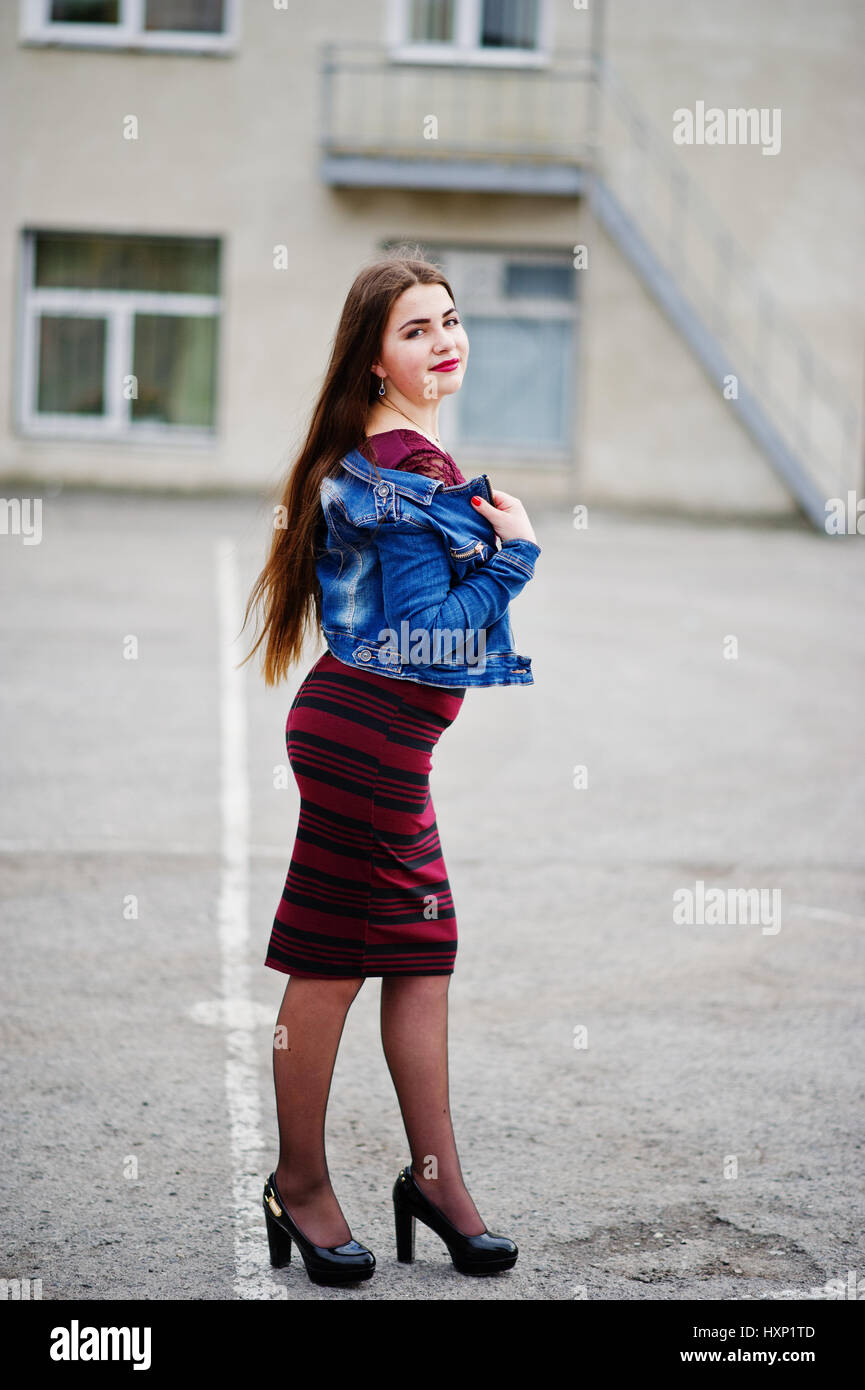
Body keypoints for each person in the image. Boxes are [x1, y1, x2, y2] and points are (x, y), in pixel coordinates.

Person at [240, 246, 541, 1287]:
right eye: (415, 329)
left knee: (420, 952)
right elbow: (428, 637)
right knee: (331, 962)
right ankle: (303, 1186)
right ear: (375, 359)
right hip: (366, 744)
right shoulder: (410, 470)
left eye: (450, 319)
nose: (444, 340)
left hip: (363, 739)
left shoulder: (382, 459)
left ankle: (432, 1183)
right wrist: (514, 559)